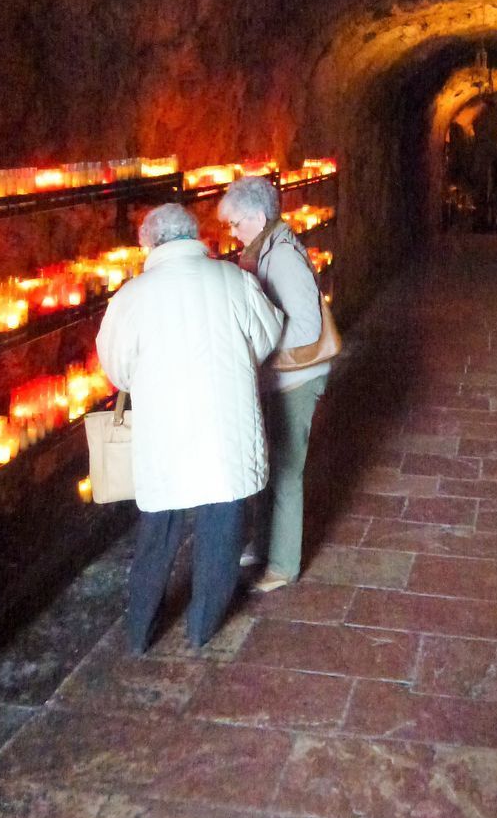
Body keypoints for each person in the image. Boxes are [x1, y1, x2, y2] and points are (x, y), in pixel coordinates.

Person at [96, 203, 283, 654]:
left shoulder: (132, 296)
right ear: (193, 236)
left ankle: (141, 630)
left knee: (159, 528)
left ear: (150, 244)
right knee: (223, 524)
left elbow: (117, 368)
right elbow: (266, 336)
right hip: (226, 425)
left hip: (166, 429)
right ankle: (203, 626)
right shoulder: (233, 280)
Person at [217, 175, 331, 593]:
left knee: (286, 469)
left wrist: (258, 344)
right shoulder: (263, 248)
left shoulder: (282, 256)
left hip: (295, 378)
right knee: (269, 463)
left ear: (259, 217)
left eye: (235, 224)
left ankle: (283, 565)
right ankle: (264, 544)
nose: (231, 232)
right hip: (277, 377)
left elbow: (306, 327)